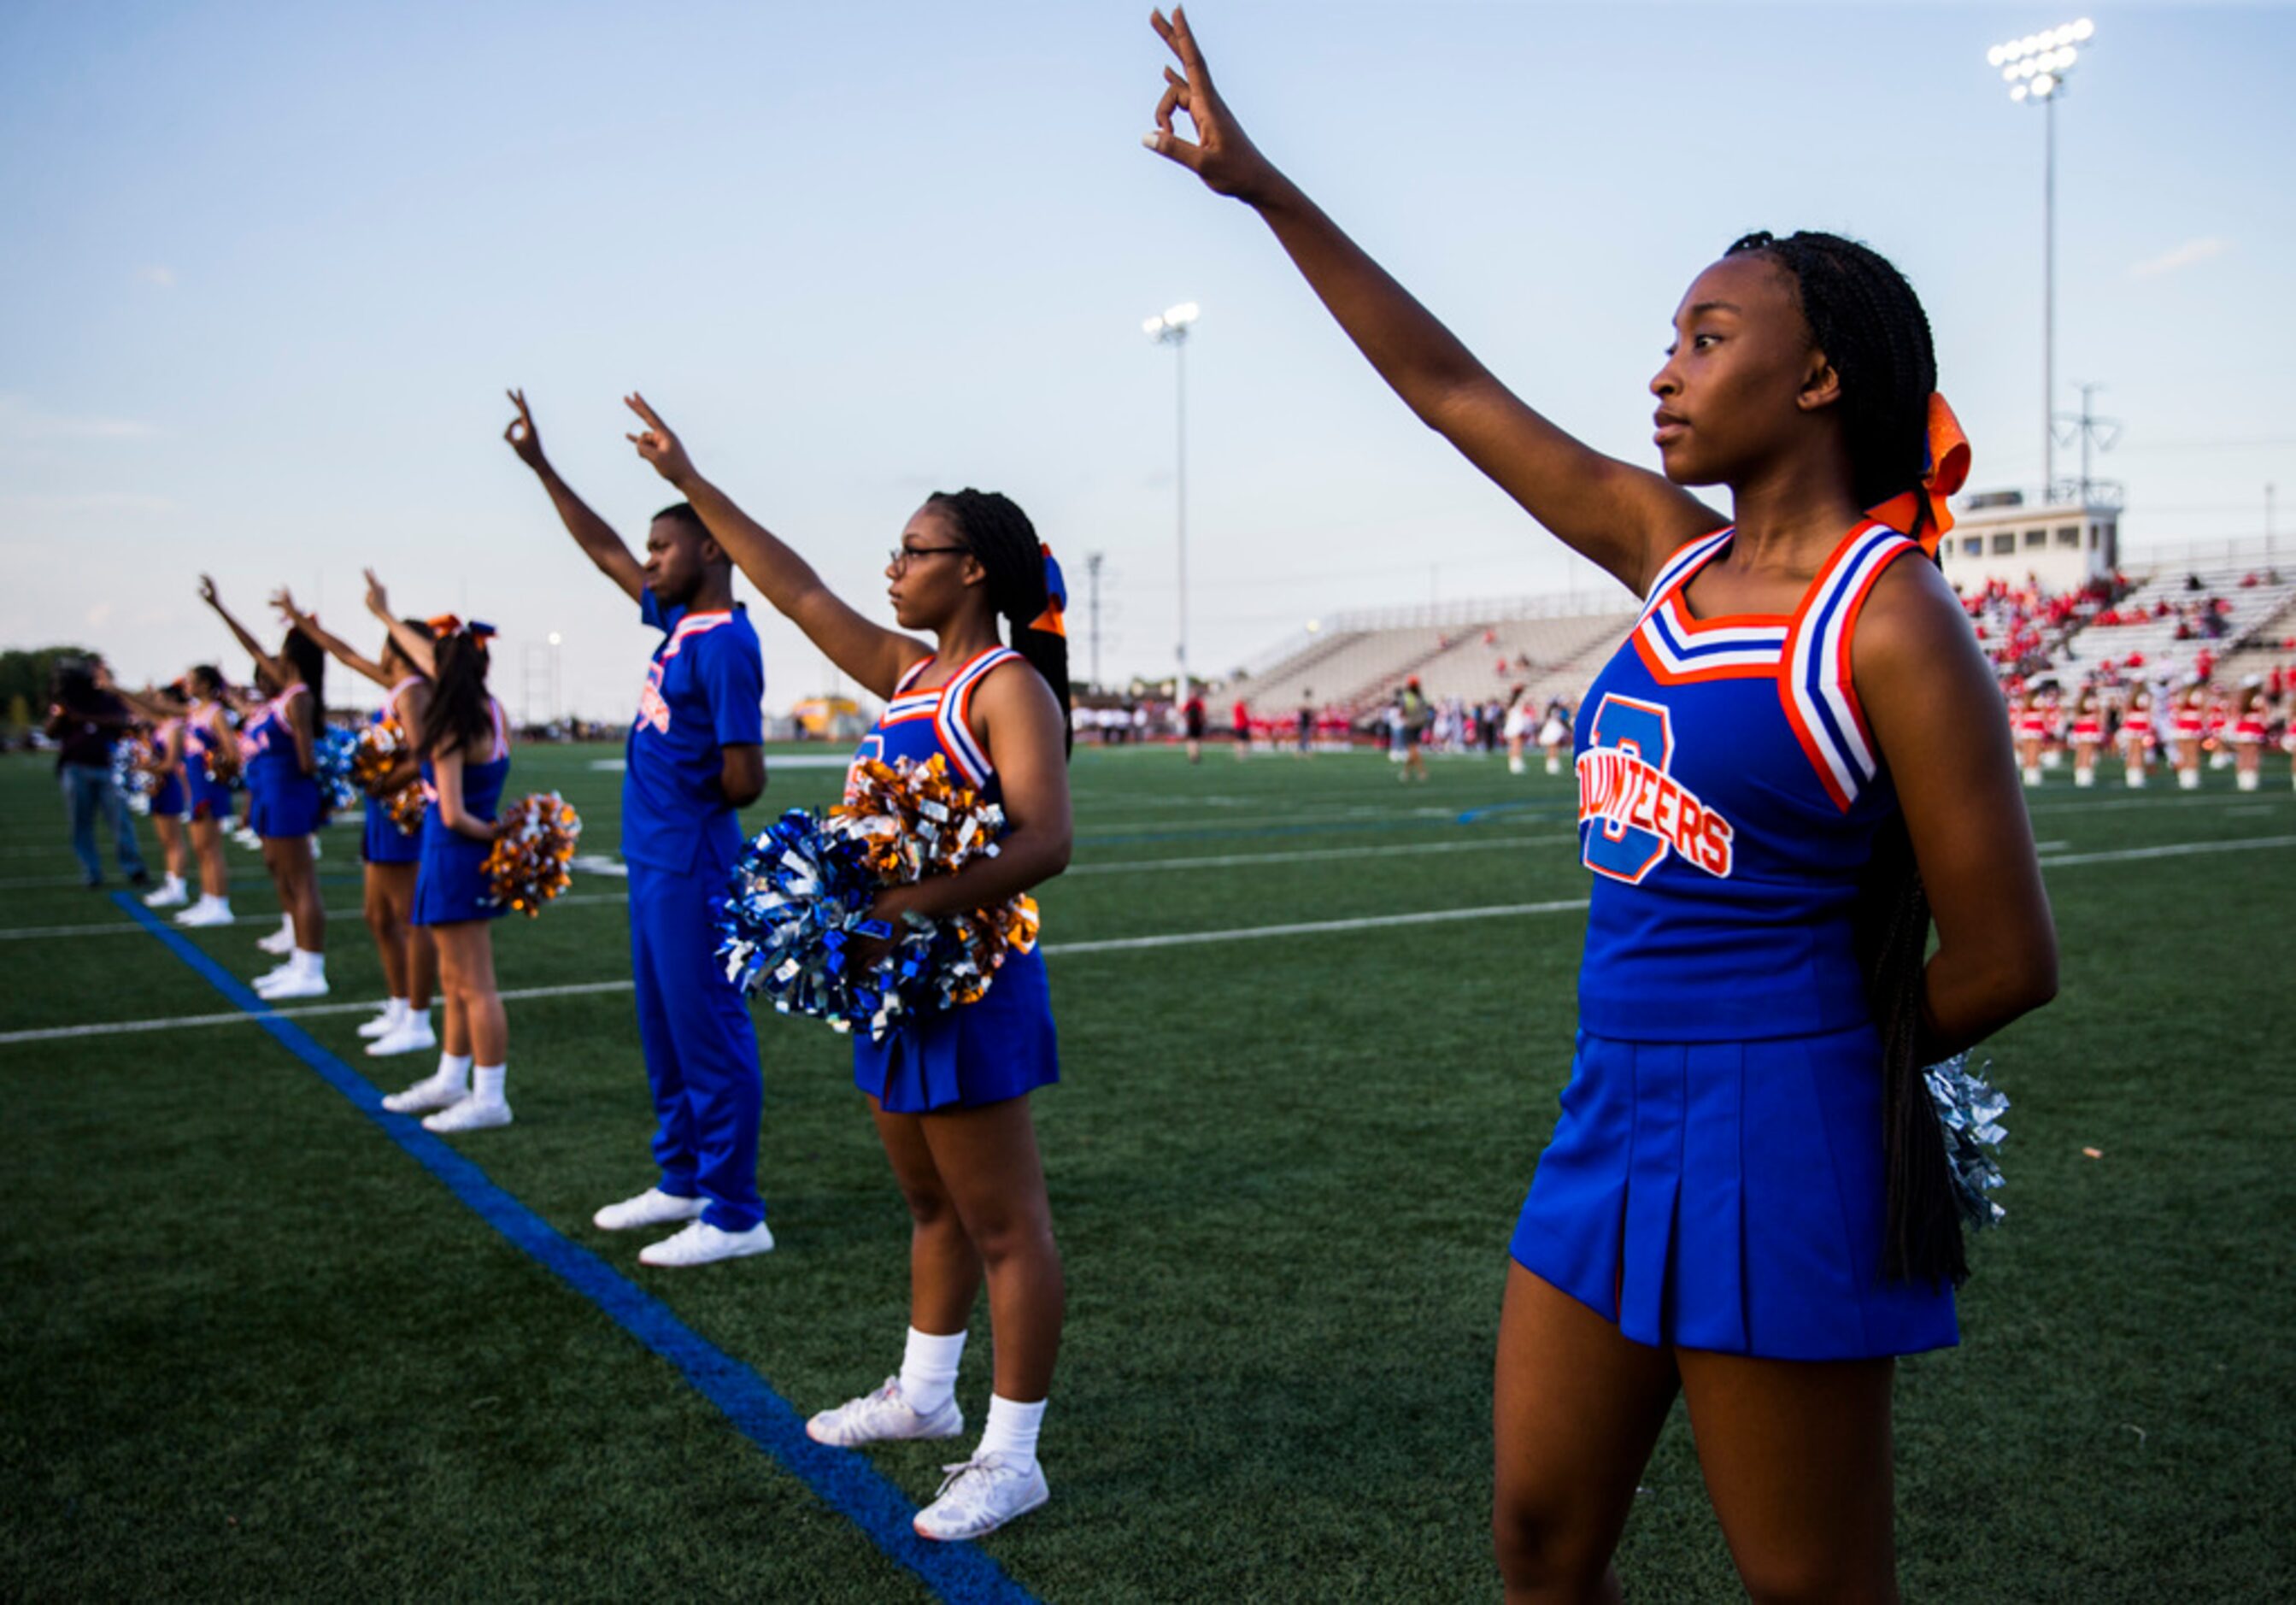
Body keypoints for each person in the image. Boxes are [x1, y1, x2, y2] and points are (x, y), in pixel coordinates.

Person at [1143, 12, 2058, 1599]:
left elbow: (2004, 956)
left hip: (1786, 1128)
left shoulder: (1888, 617)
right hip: (1606, 1111)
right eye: (1671, 336)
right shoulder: (1668, 554)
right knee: (1538, 1540)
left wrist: (1820, 1066)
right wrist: (1259, 187)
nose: (1662, 368)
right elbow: (1446, 387)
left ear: (1820, 371)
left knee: (1806, 1585)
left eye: (1706, 336)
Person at [623, 390, 1070, 1543]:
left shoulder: (1003, 687)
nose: (892, 567)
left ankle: (1010, 1455)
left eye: (914, 550)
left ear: (970, 570)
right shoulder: (907, 676)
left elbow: (1042, 840)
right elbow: (796, 585)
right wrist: (696, 475)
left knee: (1006, 1224)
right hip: (893, 979)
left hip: (966, 979)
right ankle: (923, 1393)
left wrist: (903, 904)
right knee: (927, 1200)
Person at [504, 390, 772, 1267]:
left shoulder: (725, 640)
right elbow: (604, 552)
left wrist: (700, 786)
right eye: (651, 549)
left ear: (706, 549)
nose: (648, 561)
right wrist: (543, 468)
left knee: (708, 1029)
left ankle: (735, 1213)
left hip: (693, 858)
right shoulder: (676, 620)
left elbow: (746, 776)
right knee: (663, 1028)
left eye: (663, 546)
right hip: (656, 860)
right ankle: (684, 1177)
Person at [361, 578, 517, 1134]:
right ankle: (452, 1078)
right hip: (456, 856)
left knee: (474, 984)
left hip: (453, 853)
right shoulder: (492, 712)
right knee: (456, 982)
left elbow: (451, 814)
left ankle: (490, 1096)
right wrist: (383, 614)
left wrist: (499, 833)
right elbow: (439, 656)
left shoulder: (453, 726)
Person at [274, 591, 440, 1058]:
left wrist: (385, 782)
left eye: (388, 643)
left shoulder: (412, 691)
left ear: (399, 649)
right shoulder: (397, 687)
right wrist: (299, 623)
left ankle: (418, 1018)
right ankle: (398, 1002)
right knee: (377, 916)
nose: (379, 652)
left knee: (408, 920)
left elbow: (422, 751)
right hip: (382, 812)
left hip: (399, 813)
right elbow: (343, 653)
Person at [199, 576, 329, 998]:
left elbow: (308, 759)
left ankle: (312, 970)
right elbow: (252, 647)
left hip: (290, 795)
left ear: (295, 655)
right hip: (273, 798)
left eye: (284, 648)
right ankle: (297, 960)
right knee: (284, 877)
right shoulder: (284, 695)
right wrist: (219, 608)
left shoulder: (299, 698)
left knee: (303, 882)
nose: (271, 654)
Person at [45, 655, 150, 891]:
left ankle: (134, 869)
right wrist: (62, 716)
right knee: (81, 823)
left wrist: (84, 718)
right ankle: (91, 872)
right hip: (75, 767)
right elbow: (49, 730)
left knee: (120, 821)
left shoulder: (107, 699)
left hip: (107, 766)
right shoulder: (66, 701)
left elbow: (124, 721)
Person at [173, 665, 239, 926]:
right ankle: (207, 899)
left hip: (209, 787)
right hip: (195, 786)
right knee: (200, 848)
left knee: (211, 849)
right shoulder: (194, 712)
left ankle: (220, 903)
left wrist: (216, 771)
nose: (187, 685)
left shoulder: (216, 714)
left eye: (192, 681)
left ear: (205, 684)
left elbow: (232, 752)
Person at [1183, 688, 1207, 762]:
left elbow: (1183, 712)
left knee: (1193, 740)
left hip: (1195, 724)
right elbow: (1202, 713)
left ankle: (1193, 755)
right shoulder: (1196, 703)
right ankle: (1194, 755)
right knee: (1194, 740)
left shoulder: (1191, 703)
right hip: (1194, 724)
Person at [1230, 692, 1251, 758]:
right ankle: (1242, 754)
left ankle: (1239, 753)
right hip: (1242, 725)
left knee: (1239, 740)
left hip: (1239, 725)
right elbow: (1247, 713)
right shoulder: (1241, 706)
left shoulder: (1235, 706)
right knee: (1242, 740)